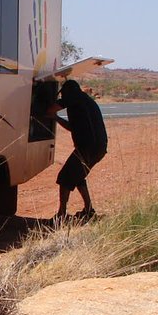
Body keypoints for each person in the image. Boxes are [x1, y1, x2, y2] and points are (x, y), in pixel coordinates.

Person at [50, 79, 108, 221]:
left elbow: (51, 108)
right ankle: (88, 210)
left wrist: (45, 110)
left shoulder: (75, 98)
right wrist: (56, 119)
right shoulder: (84, 101)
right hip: (98, 147)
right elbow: (72, 127)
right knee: (77, 176)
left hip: (88, 147)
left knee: (64, 178)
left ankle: (62, 214)